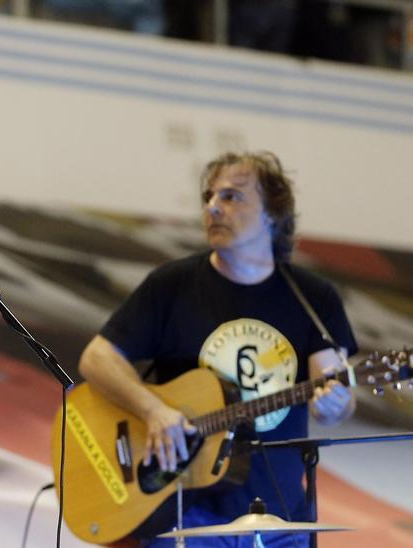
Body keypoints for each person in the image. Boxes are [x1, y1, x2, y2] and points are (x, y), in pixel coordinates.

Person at [77, 151, 357, 547]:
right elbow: (97, 359)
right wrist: (153, 410)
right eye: (209, 197)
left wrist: (335, 404)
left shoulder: (314, 297)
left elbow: (334, 397)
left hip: (280, 519)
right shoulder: (172, 285)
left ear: (272, 215)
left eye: (232, 197)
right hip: (186, 513)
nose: (213, 207)